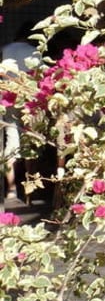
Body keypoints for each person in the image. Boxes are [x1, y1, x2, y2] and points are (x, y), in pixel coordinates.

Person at [2, 22, 39, 200]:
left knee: (11, 140)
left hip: (7, 98)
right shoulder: (35, 51)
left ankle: (11, 189)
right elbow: (38, 77)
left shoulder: (5, 49)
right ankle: (29, 188)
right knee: (30, 142)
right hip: (29, 101)